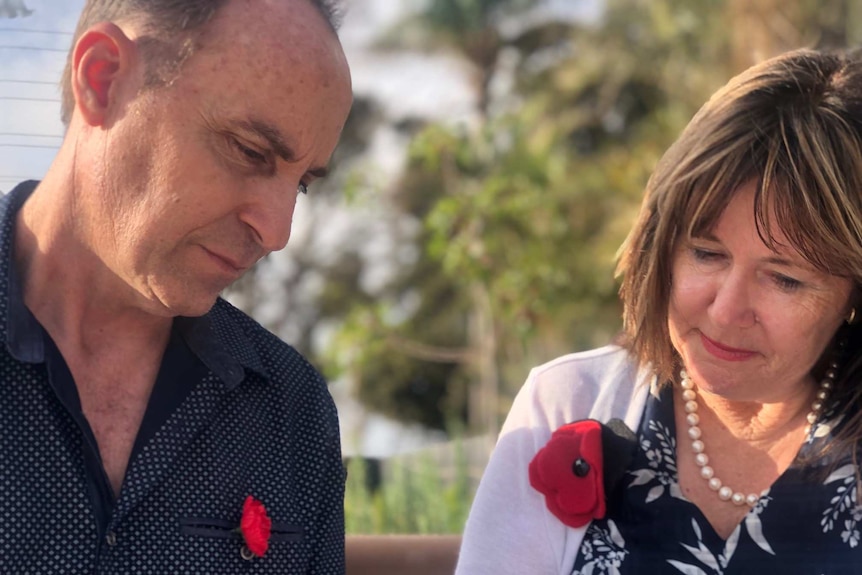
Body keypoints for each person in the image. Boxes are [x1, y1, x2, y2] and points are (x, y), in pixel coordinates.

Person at [455, 47, 862, 574]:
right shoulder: (566, 403)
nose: (726, 308)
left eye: (785, 278)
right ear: (660, 242)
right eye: (706, 253)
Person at [0, 0, 352, 572]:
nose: (278, 230)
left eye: (303, 184)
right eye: (249, 151)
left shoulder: (293, 411)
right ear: (103, 79)